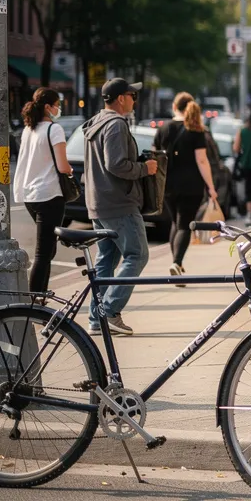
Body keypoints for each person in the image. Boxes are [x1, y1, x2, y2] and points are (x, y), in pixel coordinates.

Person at [82, 79, 156, 336]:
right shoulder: (115, 125)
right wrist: (145, 168)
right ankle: (110, 312)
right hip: (118, 204)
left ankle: (96, 319)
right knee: (138, 255)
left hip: (98, 203)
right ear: (120, 98)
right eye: (131, 95)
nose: (134, 99)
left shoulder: (95, 122)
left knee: (106, 262)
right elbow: (116, 164)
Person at [12, 88, 74, 294]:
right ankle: (36, 298)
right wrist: (71, 170)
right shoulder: (53, 129)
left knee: (47, 249)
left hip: (31, 194)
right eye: (57, 104)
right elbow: (63, 166)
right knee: (44, 253)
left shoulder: (29, 129)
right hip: (49, 195)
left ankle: (40, 295)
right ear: (48, 107)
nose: (59, 109)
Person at [155, 93, 217, 280]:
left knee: (176, 222)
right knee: (184, 225)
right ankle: (177, 262)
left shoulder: (163, 128)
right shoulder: (196, 130)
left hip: (167, 185)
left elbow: (155, 155)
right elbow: (202, 161)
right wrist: (211, 187)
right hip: (191, 185)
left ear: (175, 106)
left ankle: (176, 262)